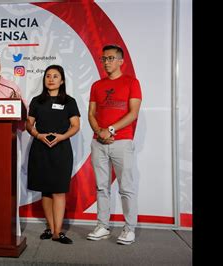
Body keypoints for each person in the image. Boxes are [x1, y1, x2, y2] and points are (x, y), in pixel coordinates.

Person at [86, 44, 142, 245]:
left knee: (126, 187)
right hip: (98, 142)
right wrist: (99, 132)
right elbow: (91, 114)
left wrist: (109, 130)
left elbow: (133, 113)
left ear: (121, 61)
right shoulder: (96, 85)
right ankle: (102, 226)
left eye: (110, 58)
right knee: (101, 187)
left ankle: (129, 229)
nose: (106, 62)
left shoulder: (132, 82)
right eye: (104, 59)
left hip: (122, 141)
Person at [26, 65, 80, 244]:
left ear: (62, 80)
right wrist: (38, 135)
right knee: (45, 190)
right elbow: (29, 125)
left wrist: (62, 137)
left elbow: (75, 126)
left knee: (58, 191)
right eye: (48, 76)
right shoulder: (36, 101)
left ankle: (58, 231)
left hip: (61, 149)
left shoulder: (69, 101)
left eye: (55, 76)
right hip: (40, 148)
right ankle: (50, 228)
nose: (51, 79)